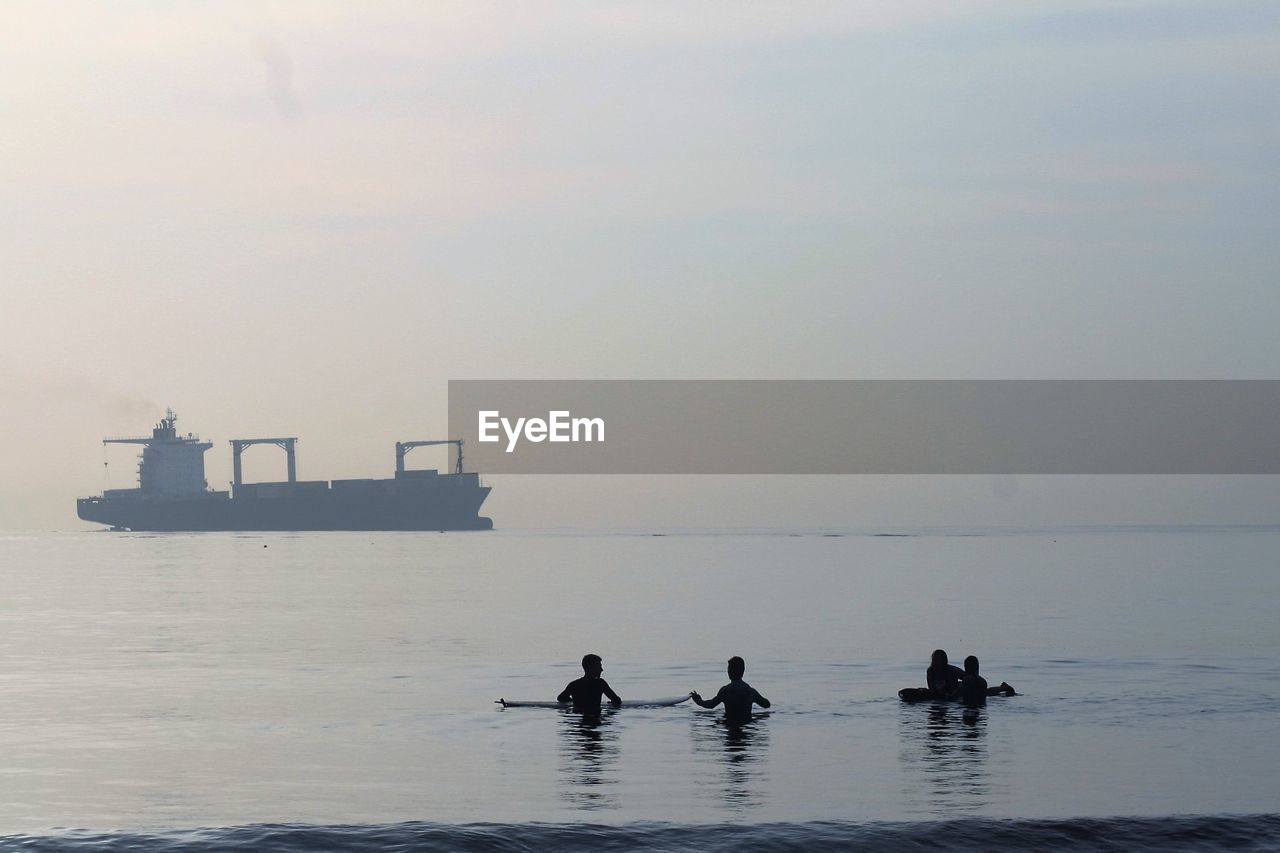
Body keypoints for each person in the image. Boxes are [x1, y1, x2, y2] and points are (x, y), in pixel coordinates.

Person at [691, 656, 771, 725]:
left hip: (730, 725)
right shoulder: (750, 691)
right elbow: (766, 704)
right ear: (743, 671)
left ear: (729, 671)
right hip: (747, 726)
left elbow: (711, 705)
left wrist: (699, 701)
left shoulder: (725, 691)